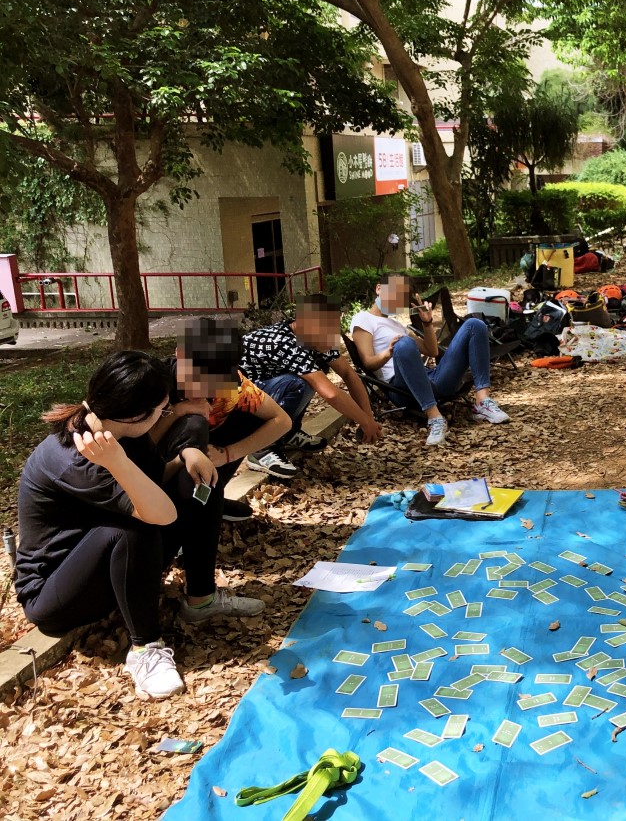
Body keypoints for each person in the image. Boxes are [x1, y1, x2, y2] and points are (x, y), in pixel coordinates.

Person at [15, 351, 265, 700]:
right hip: (55, 595)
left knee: (199, 484)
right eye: (163, 410)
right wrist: (118, 463)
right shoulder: (79, 457)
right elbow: (159, 514)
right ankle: (145, 648)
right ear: (136, 414)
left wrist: (185, 456)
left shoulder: (120, 430)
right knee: (135, 526)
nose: (166, 414)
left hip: (109, 568)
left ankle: (201, 599)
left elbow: (153, 480)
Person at [153, 318, 296, 522]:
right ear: (180, 354)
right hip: (156, 470)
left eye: (215, 380)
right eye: (197, 377)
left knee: (251, 418)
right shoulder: (155, 381)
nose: (204, 388)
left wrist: (227, 454)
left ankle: (211, 494)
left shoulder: (233, 384)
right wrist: (178, 411)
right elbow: (135, 445)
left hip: (204, 456)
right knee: (195, 424)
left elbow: (281, 420)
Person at [349, 272, 510, 446]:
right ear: (379, 289)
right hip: (401, 388)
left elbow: (431, 351)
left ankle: (483, 401)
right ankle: (434, 418)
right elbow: (368, 362)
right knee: (404, 344)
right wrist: (389, 352)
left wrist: (427, 323)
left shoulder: (397, 325)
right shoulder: (362, 319)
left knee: (475, 325)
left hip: (430, 379)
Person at [239, 294, 382, 474]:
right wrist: (365, 422)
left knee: (309, 377)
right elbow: (330, 393)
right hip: (236, 404)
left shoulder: (314, 337)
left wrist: (368, 417)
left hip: (262, 394)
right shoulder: (284, 342)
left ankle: (287, 432)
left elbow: (348, 374)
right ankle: (261, 447)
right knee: (300, 383)